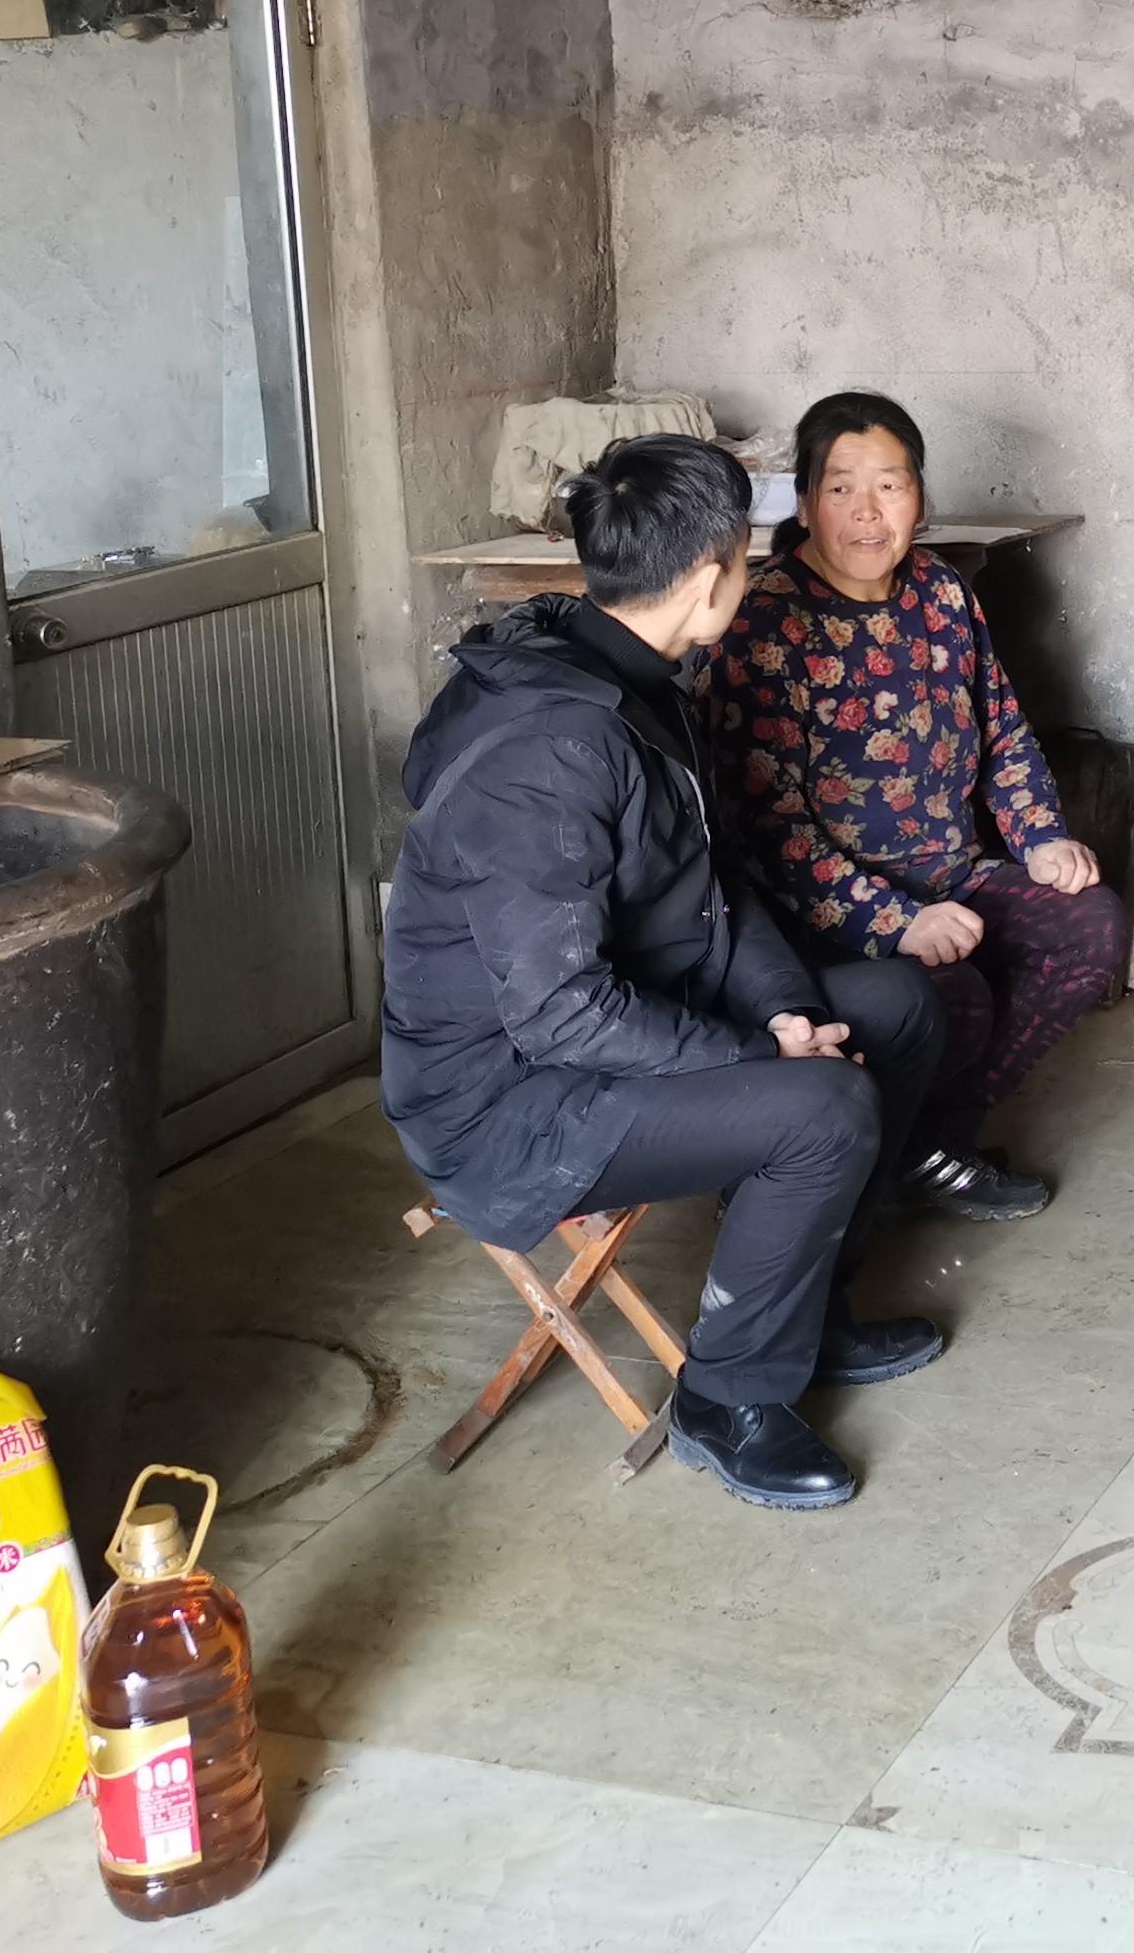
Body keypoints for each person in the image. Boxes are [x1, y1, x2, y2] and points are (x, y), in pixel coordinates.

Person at [380, 434, 949, 1514]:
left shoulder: (626, 673)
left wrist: (785, 1010)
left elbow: (714, 884)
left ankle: (801, 1314)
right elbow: (556, 1011)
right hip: (506, 1101)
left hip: (624, 1009)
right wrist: (754, 1052)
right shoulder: (547, 746)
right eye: (746, 554)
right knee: (822, 1110)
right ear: (707, 577)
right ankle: (725, 1402)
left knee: (898, 1005)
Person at [710, 391, 1125, 1225]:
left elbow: (1002, 731)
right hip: (825, 909)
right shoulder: (764, 622)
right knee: (952, 997)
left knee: (1090, 925)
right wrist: (896, 920)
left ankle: (930, 1142)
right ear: (805, 502)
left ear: (920, 498)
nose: (869, 512)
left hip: (951, 876)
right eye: (841, 488)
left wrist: (1041, 837)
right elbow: (768, 831)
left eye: (890, 486)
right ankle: (877, 1157)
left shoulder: (941, 593)